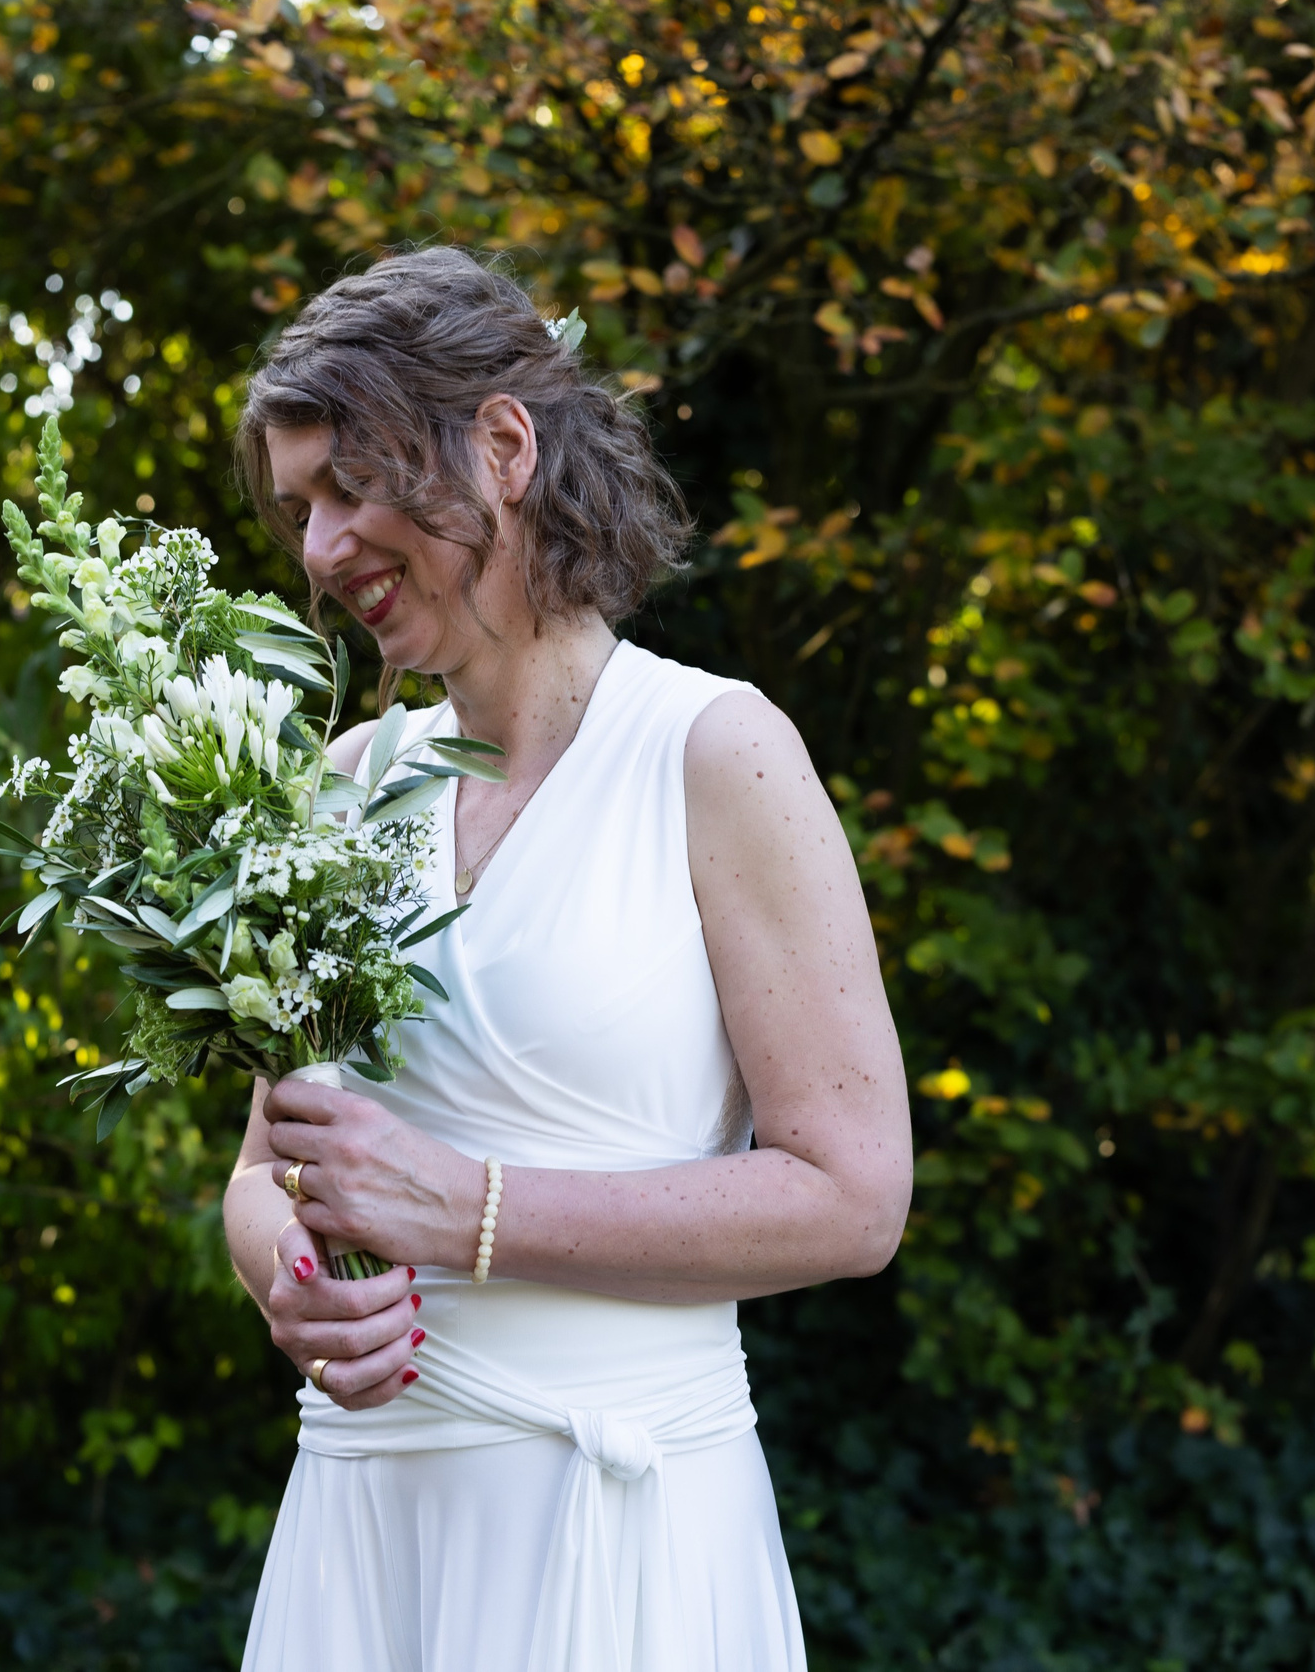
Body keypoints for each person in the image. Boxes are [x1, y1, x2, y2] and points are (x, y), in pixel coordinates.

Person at [223, 246, 910, 1672]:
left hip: (616, 1526)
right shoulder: (345, 785)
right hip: (364, 1531)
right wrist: (291, 1275)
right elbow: (260, 1169)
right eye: (302, 510)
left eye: (351, 489)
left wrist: (468, 1210)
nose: (319, 550)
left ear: (505, 444)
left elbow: (853, 1196)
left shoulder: (714, 756)